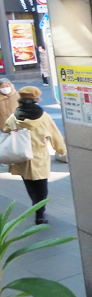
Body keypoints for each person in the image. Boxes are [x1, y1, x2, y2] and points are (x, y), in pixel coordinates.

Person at [2, 86, 66, 224]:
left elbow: (6, 131)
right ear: (36, 99)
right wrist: (61, 150)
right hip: (39, 156)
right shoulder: (44, 117)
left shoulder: (14, 117)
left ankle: (36, 206)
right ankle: (40, 214)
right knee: (42, 187)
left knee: (30, 185)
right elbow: (55, 135)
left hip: (21, 156)